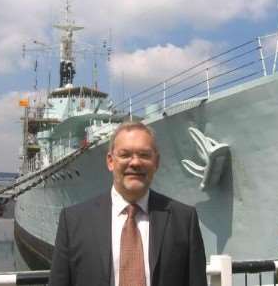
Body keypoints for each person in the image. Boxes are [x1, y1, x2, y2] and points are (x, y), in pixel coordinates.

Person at [49, 121, 207, 286]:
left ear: (156, 162)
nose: (135, 163)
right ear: (110, 161)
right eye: (125, 155)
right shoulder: (73, 221)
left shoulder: (184, 220)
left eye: (144, 155)